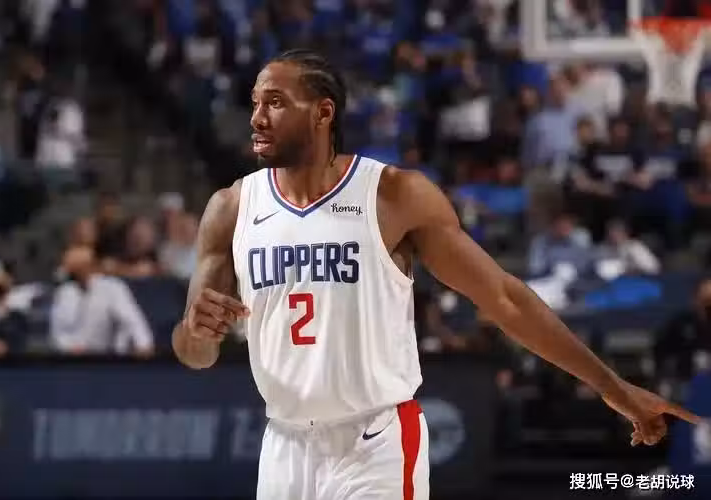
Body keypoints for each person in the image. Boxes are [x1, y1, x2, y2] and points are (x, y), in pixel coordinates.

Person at [171, 49, 700, 500]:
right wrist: (195, 330)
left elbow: (504, 299)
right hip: (283, 444)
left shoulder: (392, 195)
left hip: (373, 440)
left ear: (323, 113)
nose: (257, 117)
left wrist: (611, 386)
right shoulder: (231, 208)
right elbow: (195, 352)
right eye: (255, 103)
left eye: (275, 102)